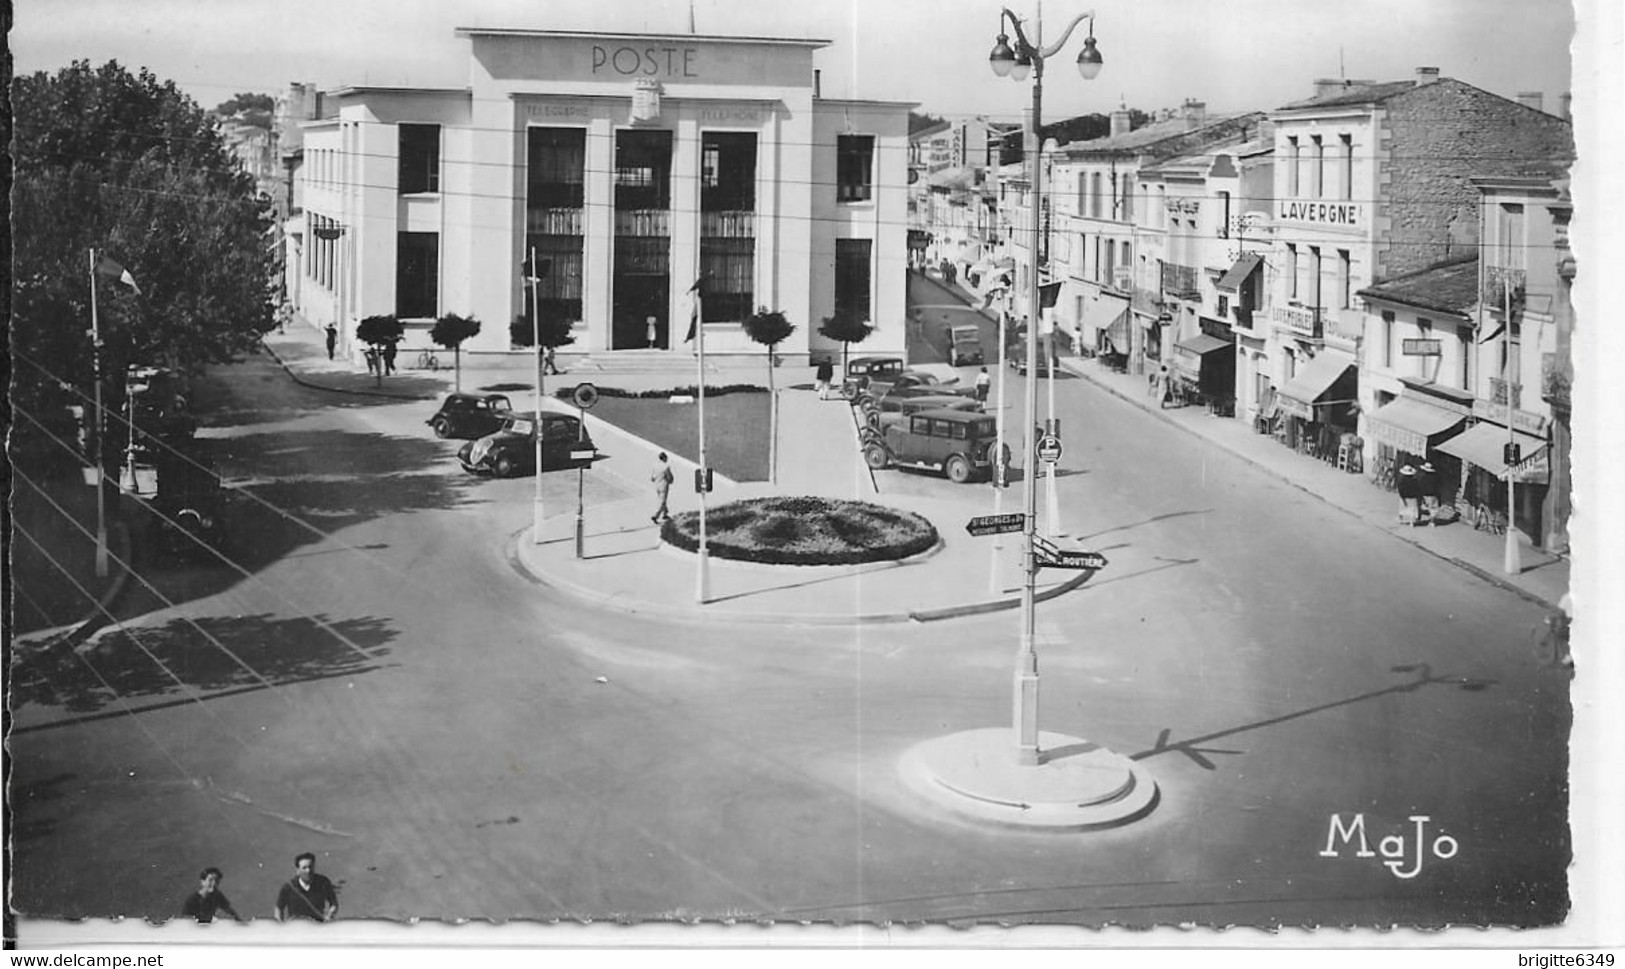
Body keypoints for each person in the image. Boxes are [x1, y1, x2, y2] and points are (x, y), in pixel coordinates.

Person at [275, 852, 338, 922]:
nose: (308, 871)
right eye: (304, 868)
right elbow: (278, 908)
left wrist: (329, 915)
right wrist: (280, 926)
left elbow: (334, 904)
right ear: (297, 870)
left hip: (317, 926)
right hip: (296, 927)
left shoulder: (323, 883)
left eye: (310, 867)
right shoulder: (288, 887)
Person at [650, 452, 674, 525]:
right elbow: (669, 477)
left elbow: (652, 477)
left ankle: (665, 513)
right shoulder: (665, 467)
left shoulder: (655, 465)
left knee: (662, 500)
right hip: (663, 486)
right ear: (664, 458)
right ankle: (655, 516)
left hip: (657, 485)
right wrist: (671, 480)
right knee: (662, 501)